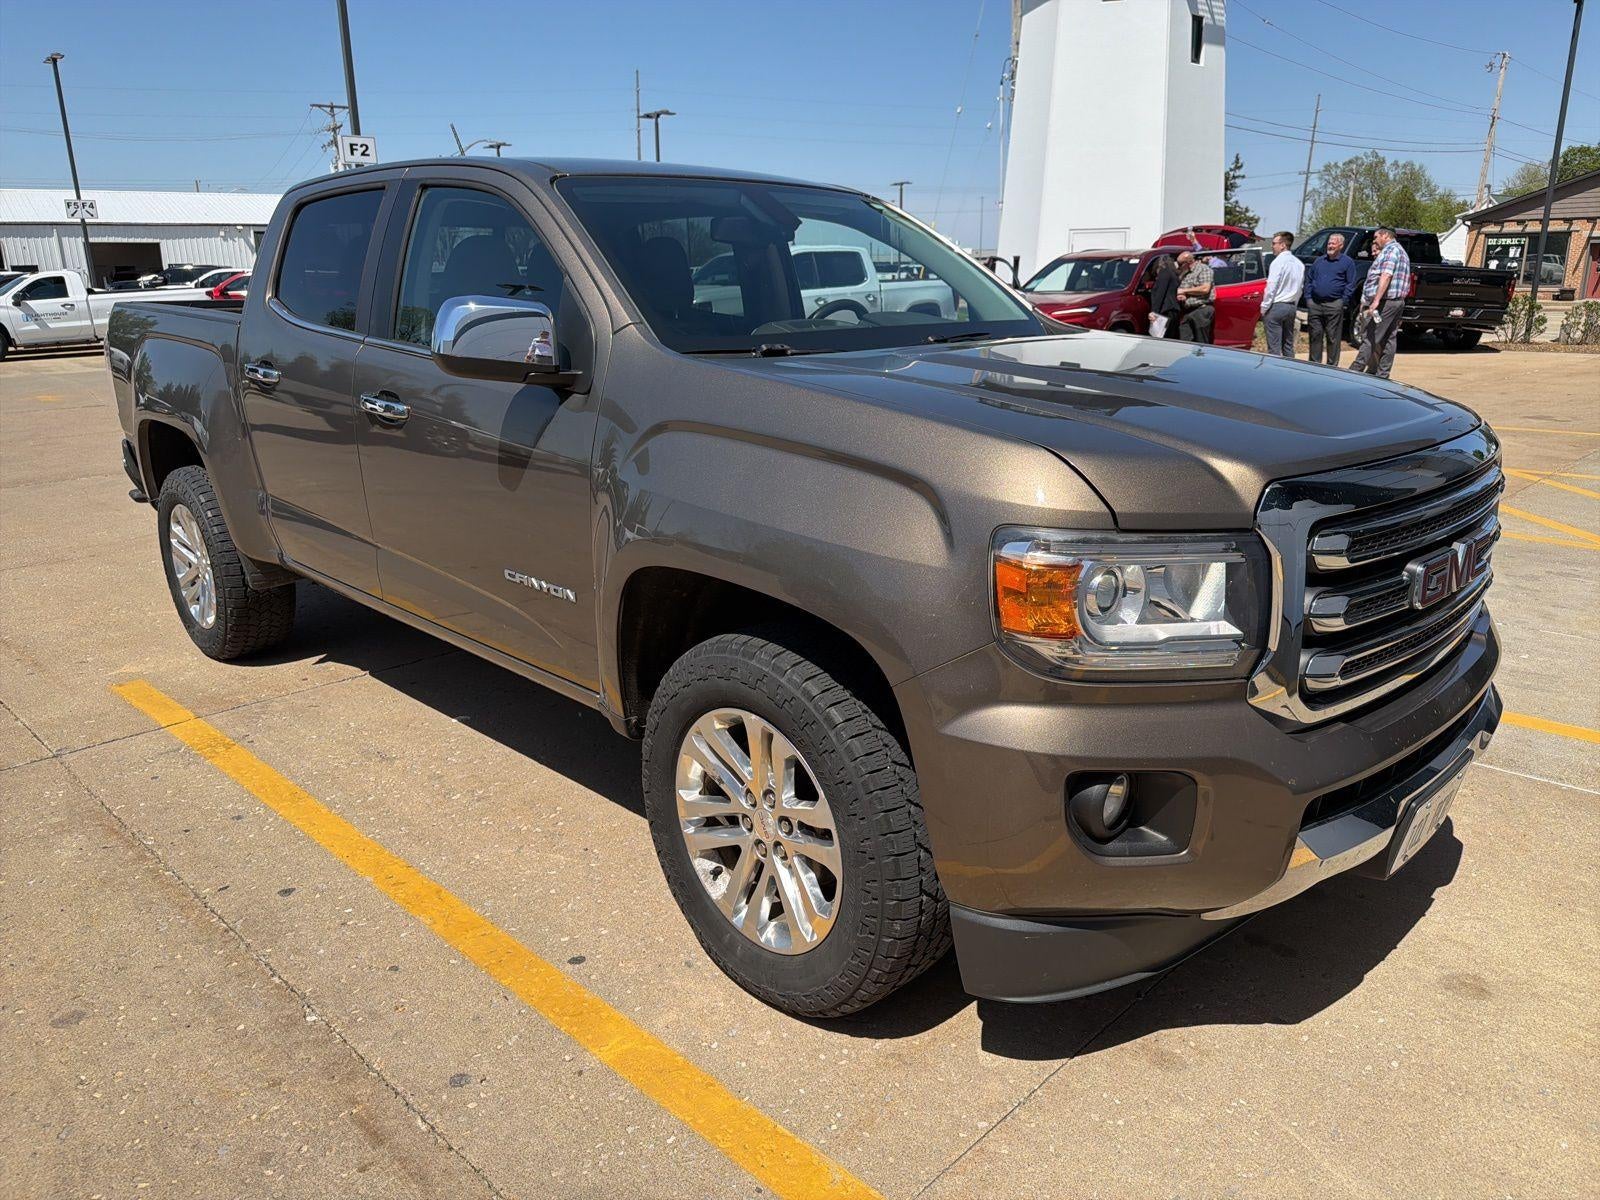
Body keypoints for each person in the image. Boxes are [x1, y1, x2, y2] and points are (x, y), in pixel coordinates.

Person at [1350, 227, 1411, 378]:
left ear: (1385, 235)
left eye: (1376, 237)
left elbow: (1386, 275)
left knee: (1371, 335)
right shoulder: (1401, 251)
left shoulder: (1391, 251)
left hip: (1387, 301)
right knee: (1389, 337)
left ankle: (1355, 370)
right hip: (1396, 301)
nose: (1374, 240)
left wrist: (1376, 300)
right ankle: (1383, 373)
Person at [1303, 232, 1357, 366]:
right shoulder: (1319, 261)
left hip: (1334, 305)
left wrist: (1342, 301)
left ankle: (1332, 366)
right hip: (1315, 304)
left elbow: (1351, 284)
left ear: (1341, 245)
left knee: (1333, 337)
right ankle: (1314, 364)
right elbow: (1309, 280)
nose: (1330, 245)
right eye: (1329, 243)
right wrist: (1308, 298)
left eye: (1333, 243)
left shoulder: (1347, 262)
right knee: (1315, 335)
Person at [1259, 231, 1305, 358]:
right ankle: (1289, 371)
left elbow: (1271, 286)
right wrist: (1294, 303)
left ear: (1283, 245)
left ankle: (1274, 374)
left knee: (1274, 348)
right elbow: (1300, 287)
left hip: (1277, 306)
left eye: (1274, 243)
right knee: (1288, 345)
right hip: (1291, 307)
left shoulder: (1277, 262)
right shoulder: (1299, 264)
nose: (1272, 246)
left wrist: (1264, 307)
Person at [1175, 250, 1215, 343]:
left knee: (1200, 342)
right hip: (1187, 311)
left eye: (1181, 264)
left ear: (1188, 262)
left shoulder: (1203, 269)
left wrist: (1184, 291)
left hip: (1201, 310)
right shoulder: (1185, 273)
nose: (1179, 266)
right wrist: (1182, 294)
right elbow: (1183, 288)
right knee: (1184, 339)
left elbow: (1205, 289)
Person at [1147, 254, 1181, 338]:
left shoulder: (1164, 272)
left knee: (1162, 338)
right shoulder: (1173, 274)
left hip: (1166, 311)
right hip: (1173, 310)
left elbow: (1160, 293)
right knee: (1170, 337)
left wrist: (1154, 312)